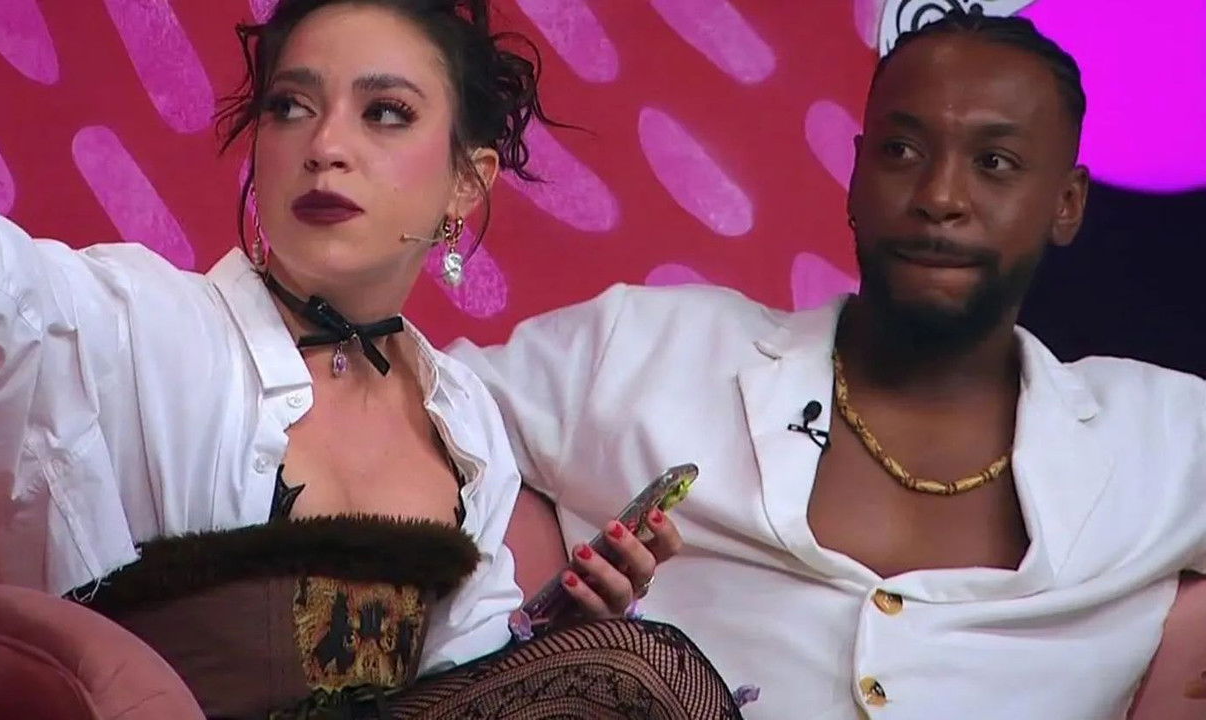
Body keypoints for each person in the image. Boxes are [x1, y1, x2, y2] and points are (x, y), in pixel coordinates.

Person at [0, 1, 744, 717]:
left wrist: (563, 645)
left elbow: (460, 683)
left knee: (629, 669)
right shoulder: (134, 318)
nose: (324, 145)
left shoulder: (464, 421)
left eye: (385, 112)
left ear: (466, 182)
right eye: (290, 106)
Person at [450, 9, 1206, 719]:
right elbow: (413, 405)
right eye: (901, 151)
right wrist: (524, 623)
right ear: (855, 173)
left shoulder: (1168, 439)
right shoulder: (648, 349)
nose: (941, 196)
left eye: (995, 162)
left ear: (1067, 203)